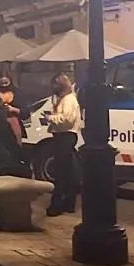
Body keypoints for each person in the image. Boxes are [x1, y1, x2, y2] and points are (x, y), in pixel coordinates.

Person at [45, 73, 81, 217]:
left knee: (60, 172)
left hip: (64, 136)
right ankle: (68, 203)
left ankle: (57, 204)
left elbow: (66, 119)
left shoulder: (68, 100)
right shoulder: (65, 99)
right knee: (67, 171)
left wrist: (50, 118)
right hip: (65, 136)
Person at [0, 71, 30, 147]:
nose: (4, 86)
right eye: (1, 84)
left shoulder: (18, 93)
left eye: (6, 83)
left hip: (13, 125)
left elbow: (26, 113)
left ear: (10, 81)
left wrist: (14, 109)